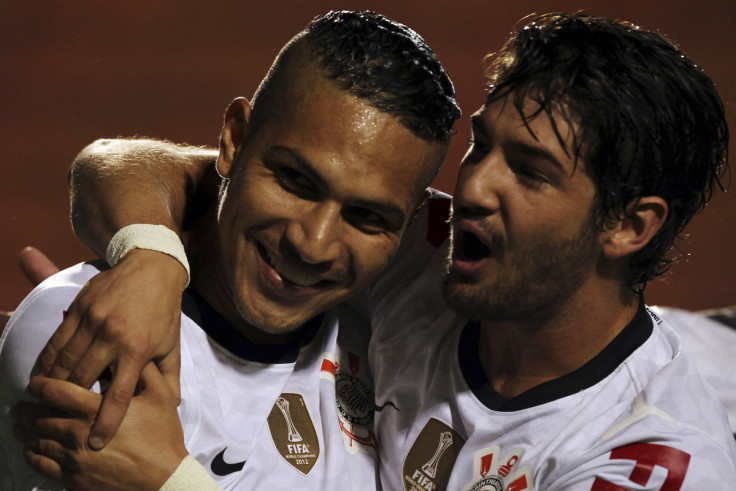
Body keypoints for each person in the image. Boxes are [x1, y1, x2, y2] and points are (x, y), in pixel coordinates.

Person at [10, 10, 736, 490]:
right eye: (482, 145)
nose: (474, 188)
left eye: (530, 171)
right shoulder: (429, 247)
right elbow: (157, 168)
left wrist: (175, 481)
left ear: (631, 227)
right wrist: (149, 256)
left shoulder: (649, 463)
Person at [0, 10, 460, 490]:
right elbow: (120, 163)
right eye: (296, 181)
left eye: (366, 217)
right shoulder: (99, 337)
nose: (314, 244)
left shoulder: (397, 332)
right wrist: (151, 251)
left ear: (406, 225)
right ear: (234, 140)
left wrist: (170, 482)